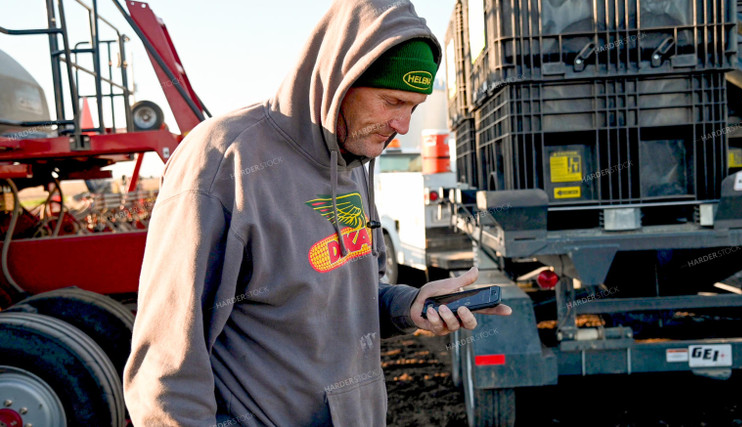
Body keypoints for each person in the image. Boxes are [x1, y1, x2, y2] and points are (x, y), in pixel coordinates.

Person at [123, 1, 511, 426]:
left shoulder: (352, 161)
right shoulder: (222, 161)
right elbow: (165, 362)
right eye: (391, 101)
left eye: (413, 107)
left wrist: (408, 305)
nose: (402, 125)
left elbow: (339, 295)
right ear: (339, 82)